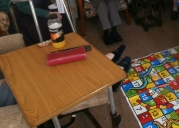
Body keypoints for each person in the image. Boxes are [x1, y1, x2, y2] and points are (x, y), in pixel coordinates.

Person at [0, 44, 130, 107]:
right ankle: (111, 75)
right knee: (53, 77)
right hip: (17, 92)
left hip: (6, 77)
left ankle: (107, 63)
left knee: (51, 64)